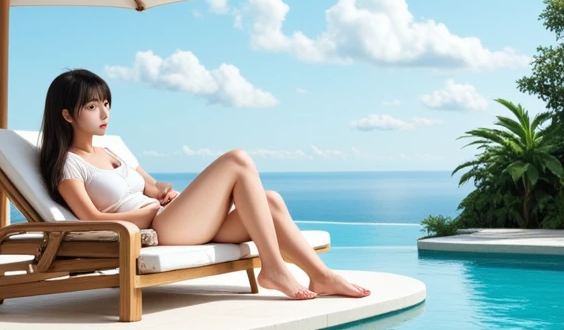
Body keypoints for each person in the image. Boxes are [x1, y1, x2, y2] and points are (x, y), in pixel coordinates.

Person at [39, 69, 370, 302]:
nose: (104, 112)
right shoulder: (68, 165)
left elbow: (154, 186)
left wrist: (164, 193)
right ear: (68, 115)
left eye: (106, 103)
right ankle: (273, 269)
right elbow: (92, 221)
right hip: (157, 227)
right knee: (237, 159)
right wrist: (153, 211)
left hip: (172, 217)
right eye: (92, 106)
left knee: (269, 200)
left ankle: (321, 276)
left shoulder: (113, 152)